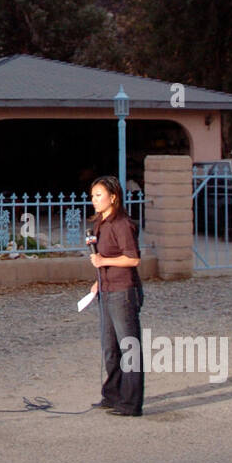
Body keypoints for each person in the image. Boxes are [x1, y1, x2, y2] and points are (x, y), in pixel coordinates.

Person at [87, 175, 145, 417]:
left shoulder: (122, 224)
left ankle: (131, 403)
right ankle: (112, 394)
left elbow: (132, 259)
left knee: (128, 347)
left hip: (124, 293)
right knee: (109, 347)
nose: (94, 200)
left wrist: (104, 261)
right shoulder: (101, 222)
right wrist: (98, 281)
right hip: (107, 290)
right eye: (92, 196)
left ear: (113, 197)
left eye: (99, 195)